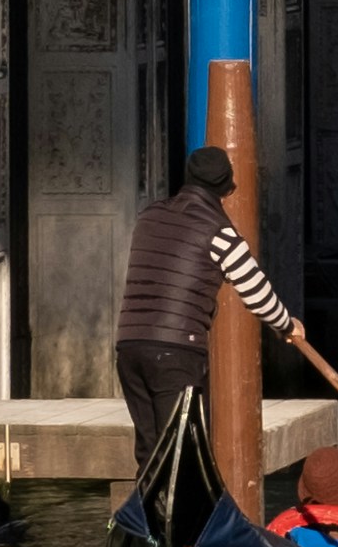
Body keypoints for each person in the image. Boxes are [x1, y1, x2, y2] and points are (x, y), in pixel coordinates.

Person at [113, 143, 305, 462]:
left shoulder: (149, 216)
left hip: (129, 348)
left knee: (150, 452)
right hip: (175, 352)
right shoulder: (221, 233)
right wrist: (287, 325)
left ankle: (148, 511)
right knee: (180, 454)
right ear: (226, 189)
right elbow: (258, 295)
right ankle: (174, 513)